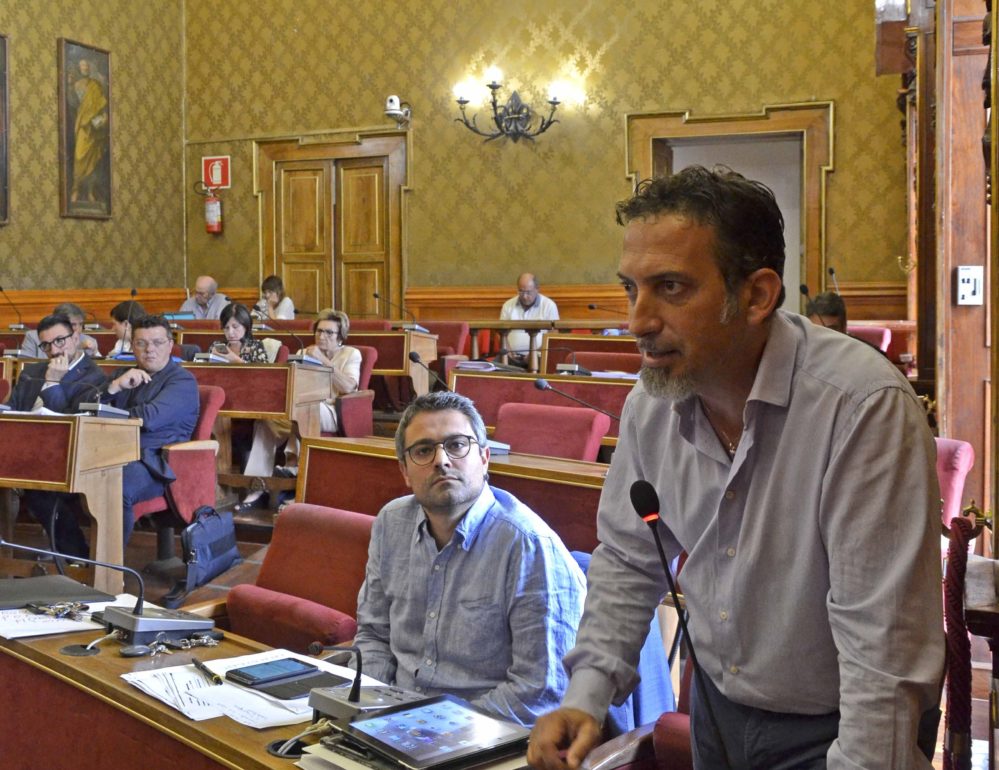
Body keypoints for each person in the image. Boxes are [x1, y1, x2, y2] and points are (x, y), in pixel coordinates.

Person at [528, 166, 943, 769]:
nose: (639, 321)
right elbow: (629, 560)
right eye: (631, 289)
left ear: (756, 296)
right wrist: (587, 695)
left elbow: (883, 651)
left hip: (839, 729)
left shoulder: (860, 408)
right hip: (717, 712)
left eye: (671, 287)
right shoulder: (652, 404)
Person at [354, 391, 586, 726]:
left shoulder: (529, 545)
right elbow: (374, 635)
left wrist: (429, 727)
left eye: (457, 445)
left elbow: (539, 691)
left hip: (488, 733)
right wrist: (369, 708)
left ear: (485, 458)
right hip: (391, 720)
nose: (441, 460)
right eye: (423, 450)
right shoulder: (391, 523)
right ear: (404, 470)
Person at [239, 310, 361, 507]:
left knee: (302, 409)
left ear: (340, 336)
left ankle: (293, 467)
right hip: (302, 407)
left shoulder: (351, 354)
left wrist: (323, 360)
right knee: (266, 419)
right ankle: (257, 487)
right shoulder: (304, 353)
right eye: (319, 331)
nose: (322, 336)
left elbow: (349, 387)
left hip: (334, 410)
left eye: (329, 332)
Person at [97, 315, 199, 548]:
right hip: (112, 454)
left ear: (170, 345)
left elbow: (149, 418)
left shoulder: (182, 381)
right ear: (132, 346)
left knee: (114, 487)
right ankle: (77, 553)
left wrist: (107, 415)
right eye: (141, 343)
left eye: (157, 343)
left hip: (154, 463)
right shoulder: (122, 375)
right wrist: (114, 387)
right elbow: (88, 410)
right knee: (59, 480)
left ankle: (107, 564)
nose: (149, 350)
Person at [8, 314, 106, 413]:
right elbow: (10, 410)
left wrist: (52, 383)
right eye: (46, 345)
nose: (54, 351)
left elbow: (69, 419)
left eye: (59, 341)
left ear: (75, 339)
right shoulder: (30, 372)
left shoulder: (95, 378)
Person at [68, 58, 109, 206]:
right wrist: (69, 85)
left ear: (90, 67)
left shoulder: (96, 85)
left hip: (94, 128)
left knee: (93, 160)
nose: (84, 67)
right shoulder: (76, 85)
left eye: (86, 65)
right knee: (79, 157)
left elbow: (102, 106)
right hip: (83, 125)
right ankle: (76, 189)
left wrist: (103, 119)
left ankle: (90, 191)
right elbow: (73, 103)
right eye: (81, 66)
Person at [499, 273, 559, 365]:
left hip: (539, 356)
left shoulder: (549, 305)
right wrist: (508, 352)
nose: (524, 296)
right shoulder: (508, 305)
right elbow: (501, 334)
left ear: (537, 289)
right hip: (511, 357)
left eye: (528, 292)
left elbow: (553, 335)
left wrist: (534, 353)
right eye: (521, 291)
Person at [21, 302, 100, 358]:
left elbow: (98, 369)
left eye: (81, 324)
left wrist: (95, 352)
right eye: (73, 325)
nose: (78, 329)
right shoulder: (33, 337)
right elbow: (25, 365)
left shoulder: (89, 341)